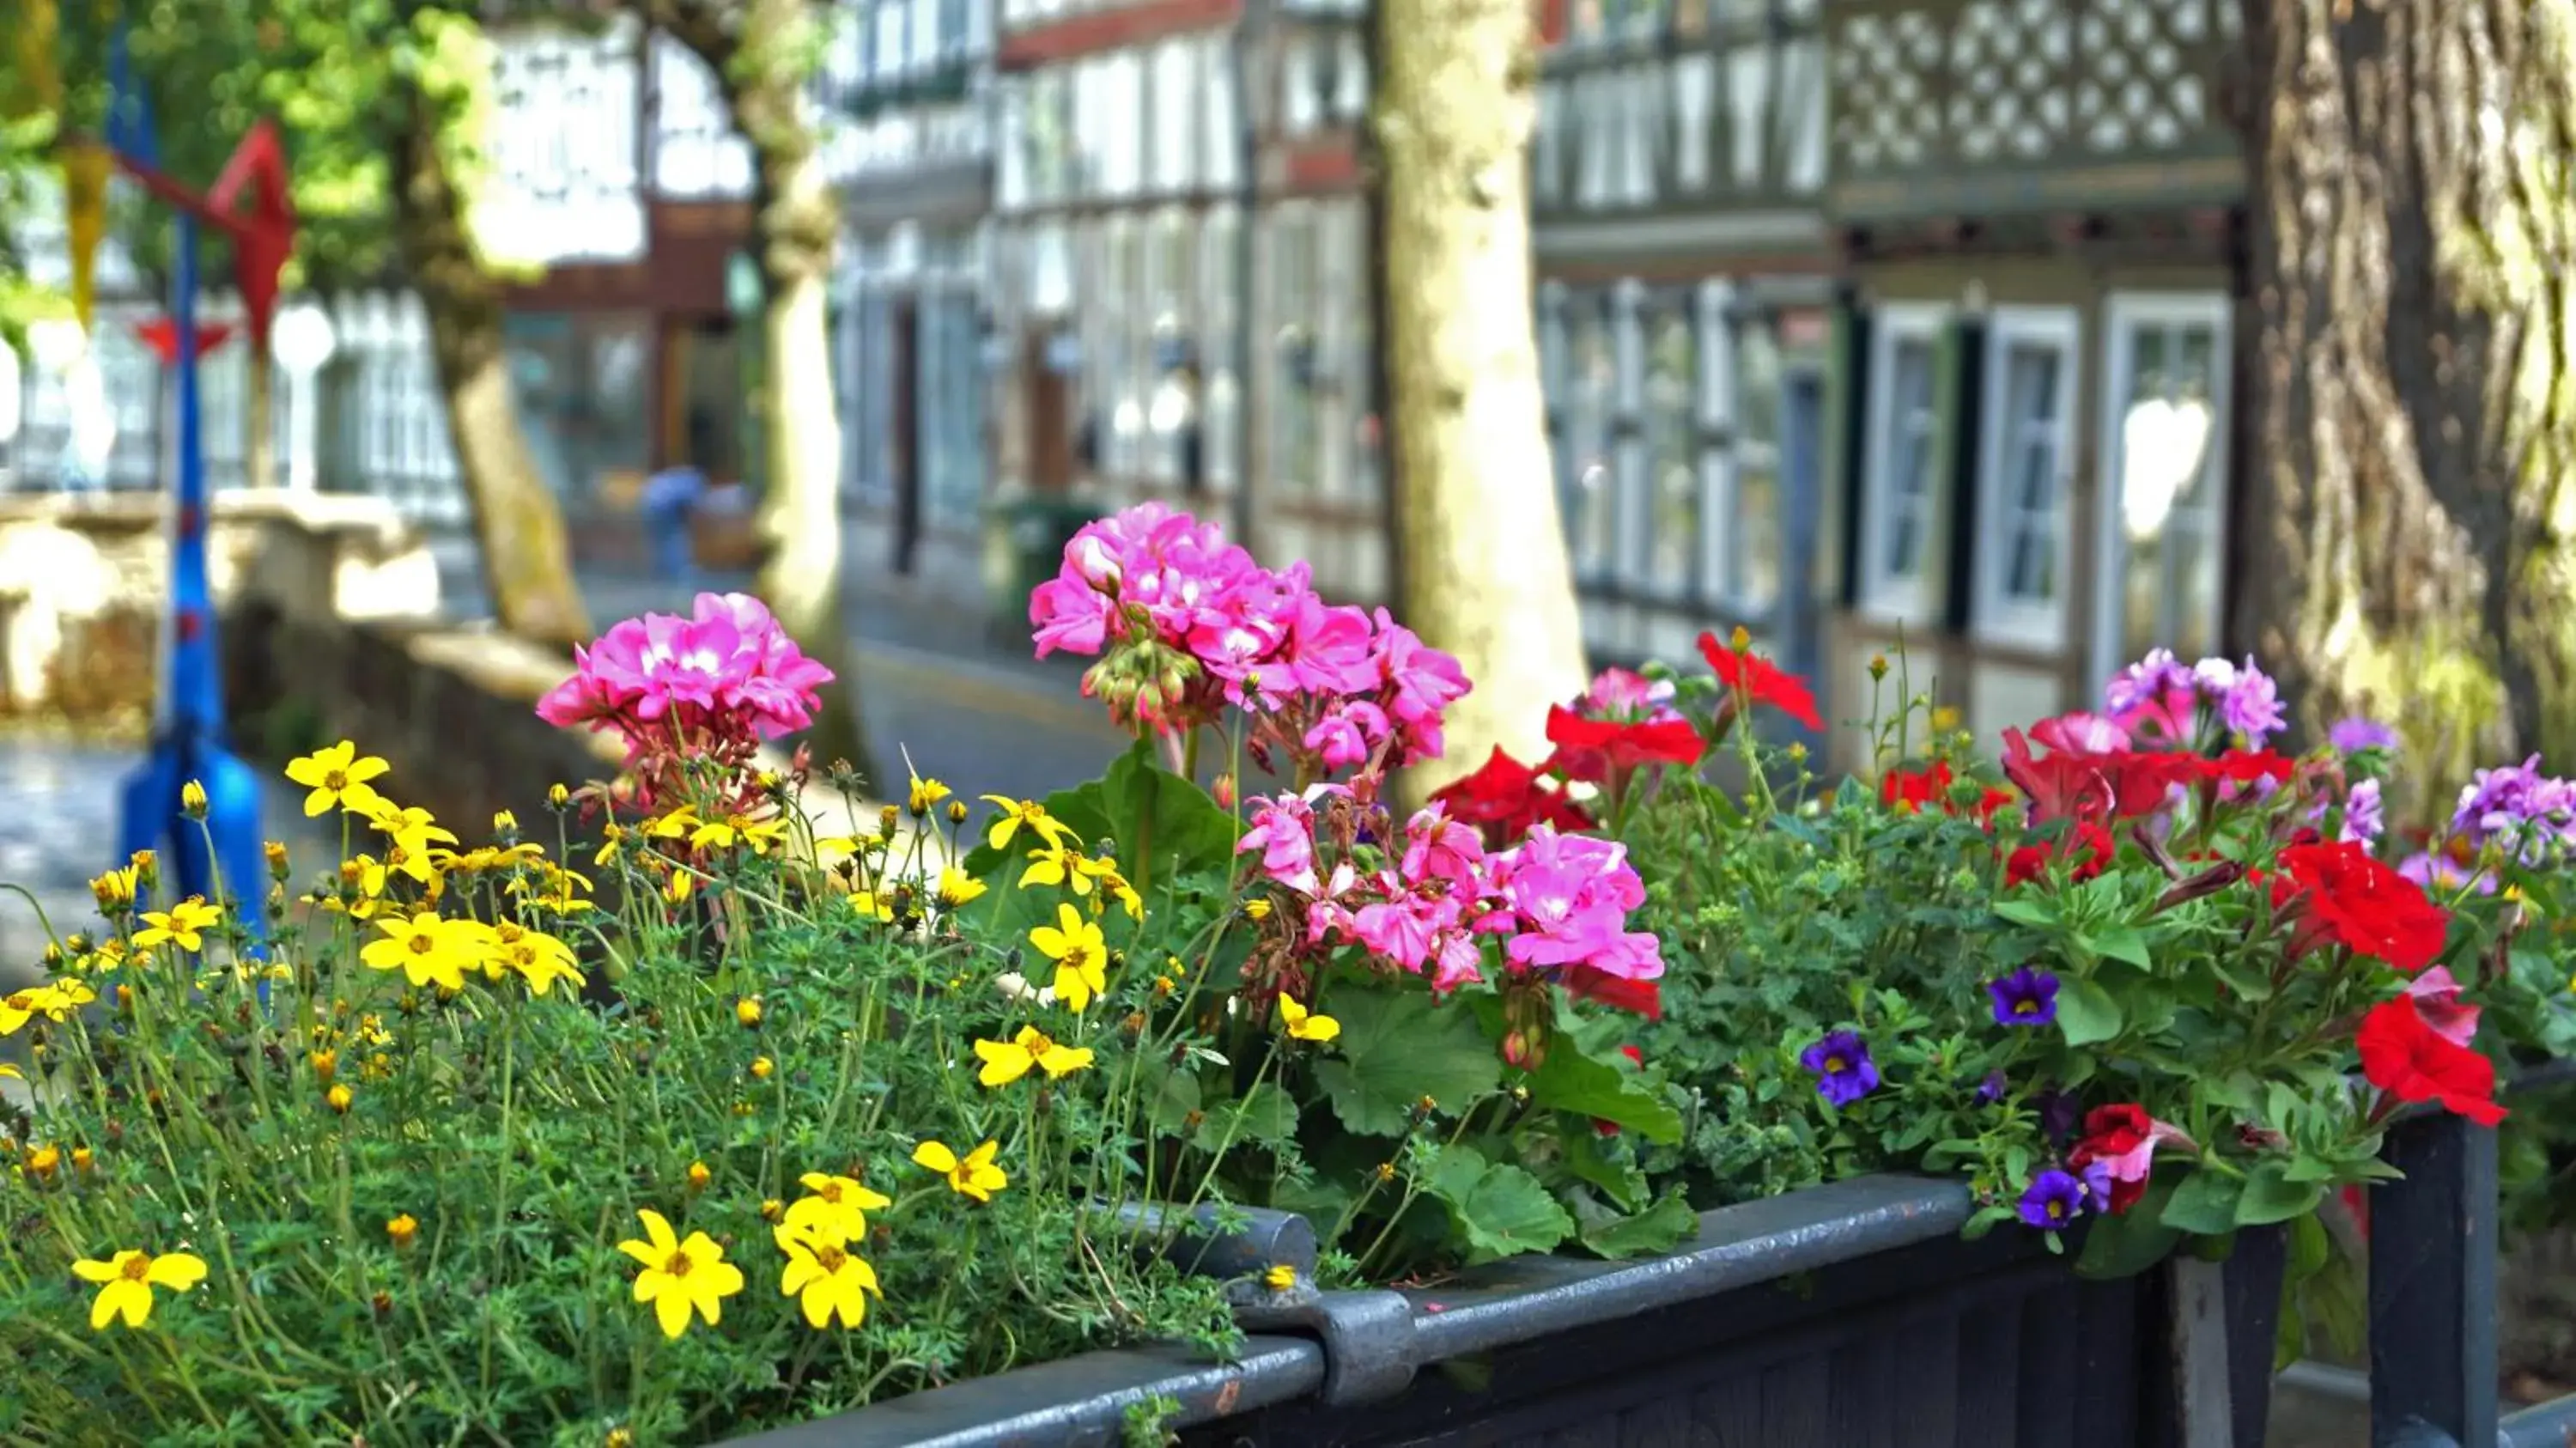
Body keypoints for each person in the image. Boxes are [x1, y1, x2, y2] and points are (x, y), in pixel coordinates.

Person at [641, 415, 714, 589]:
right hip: (661, 506)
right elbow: (694, 507)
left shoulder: (684, 474)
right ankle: (679, 570)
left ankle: (662, 570)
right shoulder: (697, 480)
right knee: (675, 537)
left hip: (649, 502)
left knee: (661, 538)